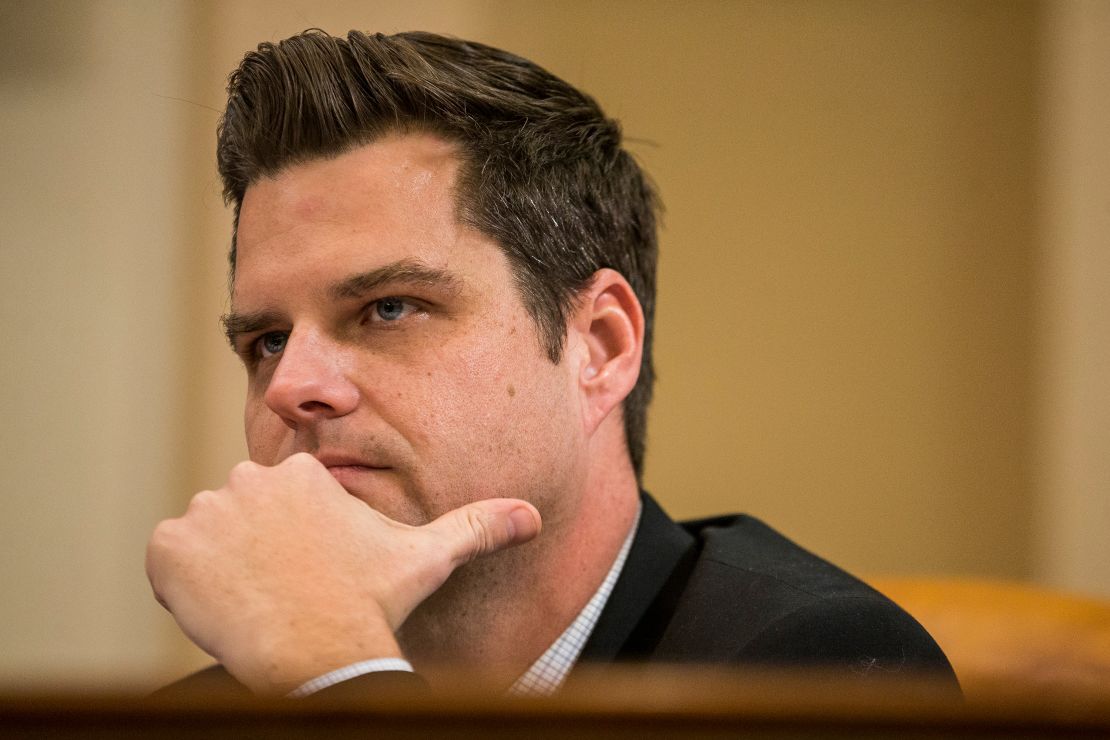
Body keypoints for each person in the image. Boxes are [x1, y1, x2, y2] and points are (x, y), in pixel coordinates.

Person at [147, 29, 958, 698]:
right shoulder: (215, 711)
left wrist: (337, 682)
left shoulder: (809, 667)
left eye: (389, 308)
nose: (291, 388)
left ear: (599, 347)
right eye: (268, 341)